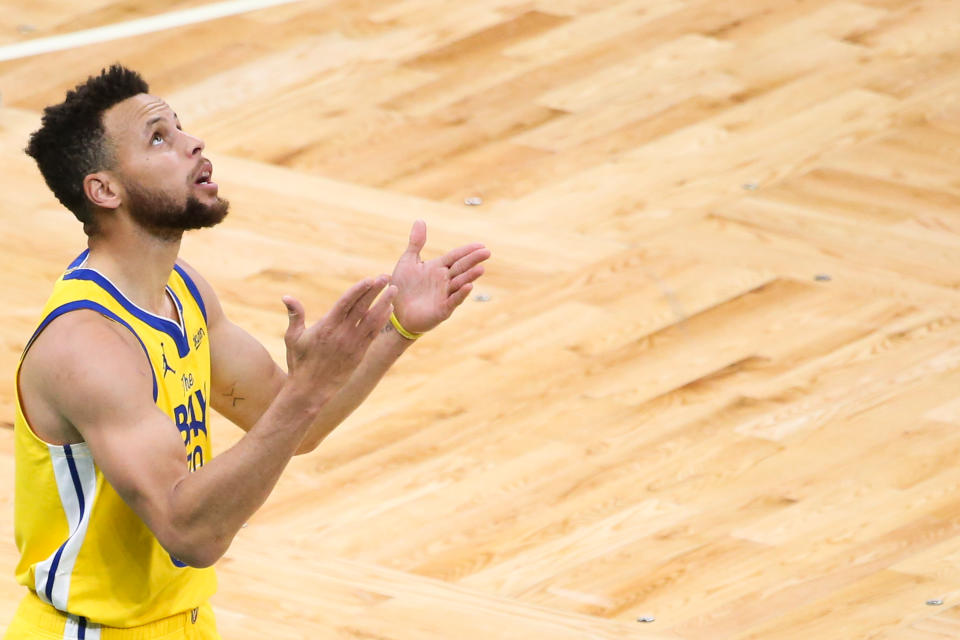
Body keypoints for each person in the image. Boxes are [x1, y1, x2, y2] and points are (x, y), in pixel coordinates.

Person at [4, 64, 490, 640]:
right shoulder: (87, 346)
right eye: (159, 137)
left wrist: (397, 333)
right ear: (104, 190)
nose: (193, 143)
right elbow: (191, 535)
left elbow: (294, 425)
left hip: (184, 623)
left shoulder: (183, 291)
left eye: (180, 126)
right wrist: (308, 388)